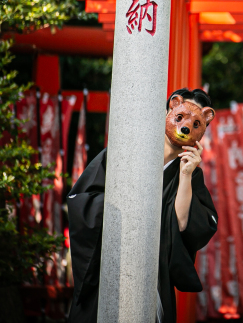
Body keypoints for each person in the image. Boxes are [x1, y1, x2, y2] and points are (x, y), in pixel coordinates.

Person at [67, 88, 218, 323]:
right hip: (112, 262)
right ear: (171, 107)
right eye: (181, 115)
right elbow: (84, 199)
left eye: (196, 121)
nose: (186, 125)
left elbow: (182, 225)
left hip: (151, 273)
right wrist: (127, 213)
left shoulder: (190, 174)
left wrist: (186, 175)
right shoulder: (124, 154)